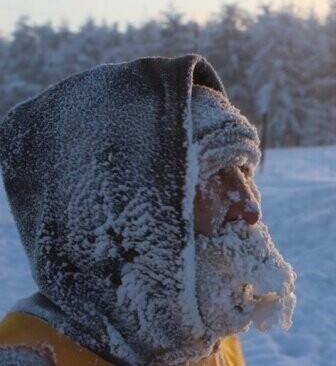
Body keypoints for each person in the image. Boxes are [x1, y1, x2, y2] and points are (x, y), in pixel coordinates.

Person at [0, 55, 297, 365]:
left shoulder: (213, 341)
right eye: (210, 173)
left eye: (244, 171)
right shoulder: (28, 357)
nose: (249, 206)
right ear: (116, 202)